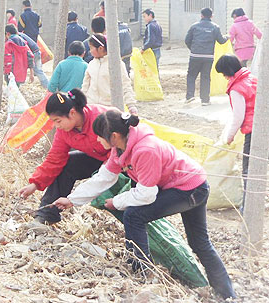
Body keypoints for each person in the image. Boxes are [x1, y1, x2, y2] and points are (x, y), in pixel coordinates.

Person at [53, 109, 236, 300]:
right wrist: (72, 199)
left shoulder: (145, 150)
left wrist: (116, 201)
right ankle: (227, 294)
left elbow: (147, 194)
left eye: (100, 137)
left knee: (135, 216)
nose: (98, 141)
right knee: (198, 242)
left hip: (190, 189)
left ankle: (142, 272)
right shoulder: (120, 148)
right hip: (189, 185)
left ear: (113, 136)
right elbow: (104, 177)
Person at [18, 89, 111, 224]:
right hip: (97, 159)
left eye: (58, 121)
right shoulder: (64, 131)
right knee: (68, 163)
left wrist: (106, 170)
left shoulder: (101, 118)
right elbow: (55, 158)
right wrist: (35, 184)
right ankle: (47, 215)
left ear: (72, 113)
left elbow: (119, 147)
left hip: (123, 161)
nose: (56, 126)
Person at [215, 55, 269, 210]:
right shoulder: (252, 79)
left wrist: (229, 136)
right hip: (267, 126)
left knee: (250, 170)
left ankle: (250, 206)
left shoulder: (236, 88)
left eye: (223, 74)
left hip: (255, 132)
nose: (225, 78)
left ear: (228, 71)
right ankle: (257, 201)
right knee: (260, 167)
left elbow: (238, 116)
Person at [82, 34, 137, 115]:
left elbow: (125, 84)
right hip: (92, 108)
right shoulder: (91, 64)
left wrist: (131, 105)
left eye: (91, 48)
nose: (89, 51)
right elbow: (85, 86)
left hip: (109, 109)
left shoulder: (116, 64)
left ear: (100, 48)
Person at [185, 7, 227, 106]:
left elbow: (187, 40)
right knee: (205, 77)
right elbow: (221, 41)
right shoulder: (215, 27)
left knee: (191, 75)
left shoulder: (194, 26)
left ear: (201, 15)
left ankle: (190, 96)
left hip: (195, 55)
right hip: (208, 57)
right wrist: (227, 37)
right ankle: (205, 100)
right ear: (212, 16)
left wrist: (193, 49)